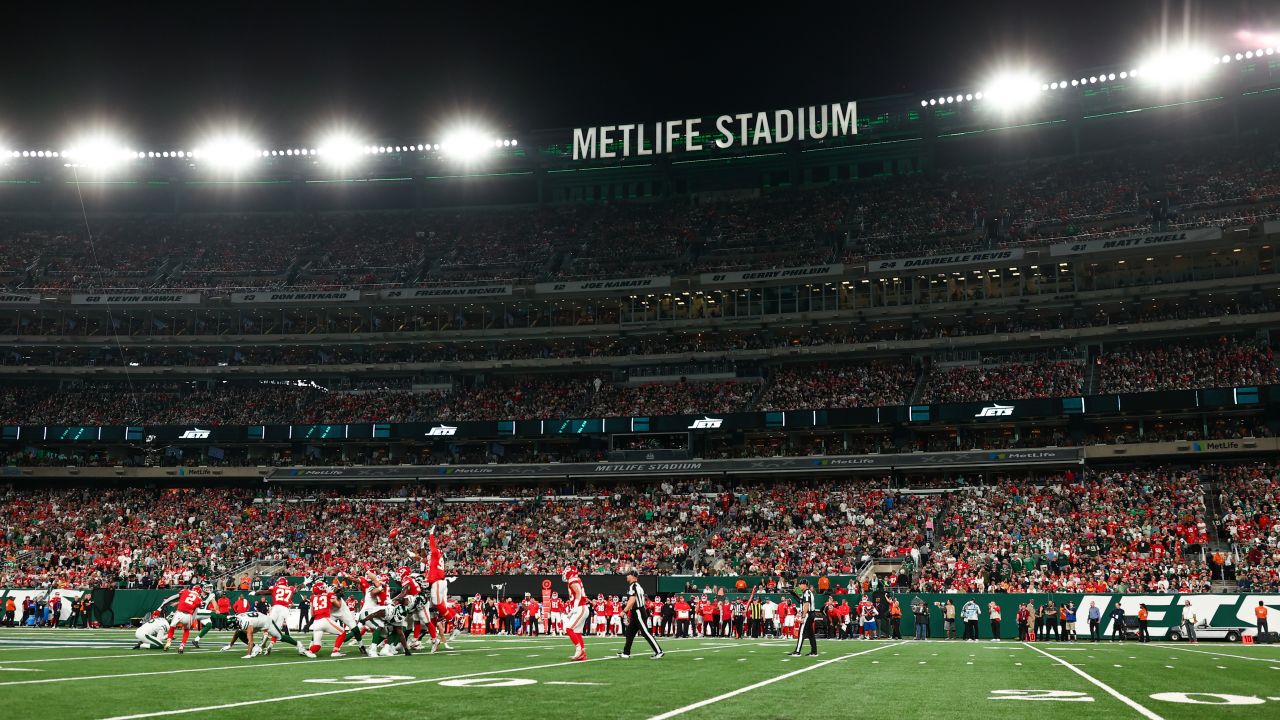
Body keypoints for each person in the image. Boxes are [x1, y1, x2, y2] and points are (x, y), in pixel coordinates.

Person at [617, 570, 663, 659]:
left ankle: (659, 651)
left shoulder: (633, 586)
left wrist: (624, 611)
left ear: (633, 576)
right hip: (637, 611)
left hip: (638, 611)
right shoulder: (637, 586)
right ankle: (626, 653)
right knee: (629, 633)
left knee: (645, 632)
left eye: (628, 575)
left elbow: (632, 600)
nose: (626, 577)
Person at [562, 566, 590, 661]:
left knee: (569, 629)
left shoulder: (572, 580)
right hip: (581, 607)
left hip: (580, 607)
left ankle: (579, 651)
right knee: (577, 632)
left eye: (566, 572)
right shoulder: (576, 579)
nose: (564, 574)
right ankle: (582, 654)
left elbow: (578, 593)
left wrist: (574, 607)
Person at [787, 579, 819, 656]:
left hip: (808, 614)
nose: (799, 585)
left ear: (805, 585)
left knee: (801, 632)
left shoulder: (807, 593)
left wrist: (803, 616)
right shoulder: (806, 593)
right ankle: (814, 651)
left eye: (801, 584)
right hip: (810, 614)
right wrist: (792, 593)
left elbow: (806, 604)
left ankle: (797, 651)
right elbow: (801, 601)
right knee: (810, 634)